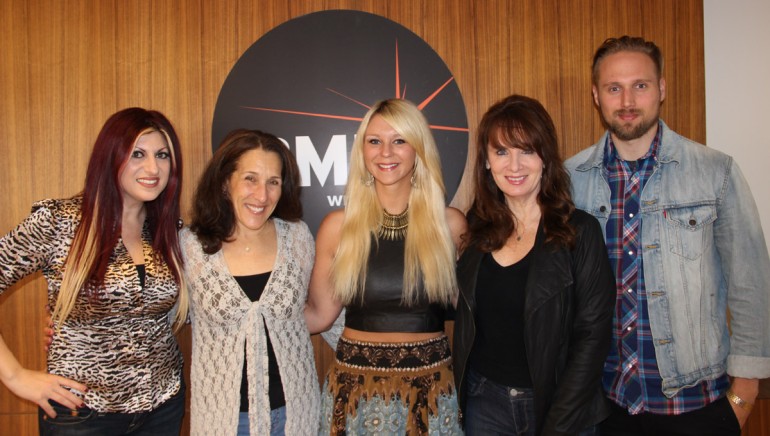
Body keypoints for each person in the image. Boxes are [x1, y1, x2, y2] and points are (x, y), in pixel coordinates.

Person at [565, 36, 770, 435]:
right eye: (613, 88)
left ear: (661, 89)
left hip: (698, 407)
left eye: (639, 85)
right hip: (603, 408)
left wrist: (743, 397)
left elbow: (752, 285)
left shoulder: (716, 173)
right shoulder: (570, 181)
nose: (627, 100)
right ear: (596, 96)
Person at [0, 107, 187, 435]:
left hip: (163, 405)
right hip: (83, 414)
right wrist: (15, 376)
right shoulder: (60, 223)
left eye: (162, 155)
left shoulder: (171, 232)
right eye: (137, 154)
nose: (153, 168)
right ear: (110, 156)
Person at [452, 94, 615, 435]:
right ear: (486, 161)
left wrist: (558, 424)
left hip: (561, 408)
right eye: (501, 152)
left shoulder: (580, 232)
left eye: (527, 150)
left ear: (545, 157)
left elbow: (592, 338)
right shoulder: (476, 229)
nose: (514, 166)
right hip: (485, 404)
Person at [304, 98, 467, 435]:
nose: (385, 153)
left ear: (418, 149)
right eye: (374, 141)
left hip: (430, 393)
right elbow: (320, 316)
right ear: (362, 150)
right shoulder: (338, 226)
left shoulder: (450, 225)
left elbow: (470, 312)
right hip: (354, 394)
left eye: (399, 141)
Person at [180, 129, 319, 435]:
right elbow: (159, 315)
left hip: (295, 413)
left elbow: (318, 313)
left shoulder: (297, 237)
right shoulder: (190, 247)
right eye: (250, 179)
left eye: (273, 182)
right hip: (224, 420)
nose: (262, 195)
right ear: (225, 182)